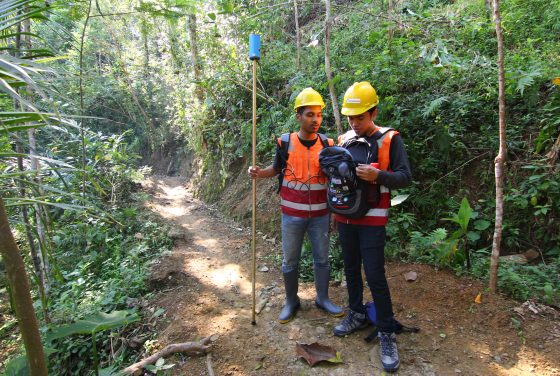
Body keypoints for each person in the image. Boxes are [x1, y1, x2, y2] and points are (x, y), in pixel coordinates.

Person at [332, 82, 412, 373]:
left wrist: (378, 175)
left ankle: (386, 331)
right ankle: (355, 312)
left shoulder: (390, 139)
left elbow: (405, 177)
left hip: (373, 219)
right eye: (351, 117)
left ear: (374, 112)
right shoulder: (343, 139)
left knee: (375, 274)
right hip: (345, 216)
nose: (354, 123)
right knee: (350, 269)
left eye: (360, 117)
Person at [248, 87, 344, 323]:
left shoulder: (328, 143)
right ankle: (291, 301)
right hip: (291, 215)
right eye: (310, 114)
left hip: (321, 214)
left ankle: (323, 298)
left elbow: (334, 180)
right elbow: (276, 170)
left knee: (322, 258)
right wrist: (258, 173)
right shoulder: (285, 143)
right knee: (290, 260)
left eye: (319, 114)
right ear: (298, 116)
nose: (315, 120)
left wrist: (335, 213)